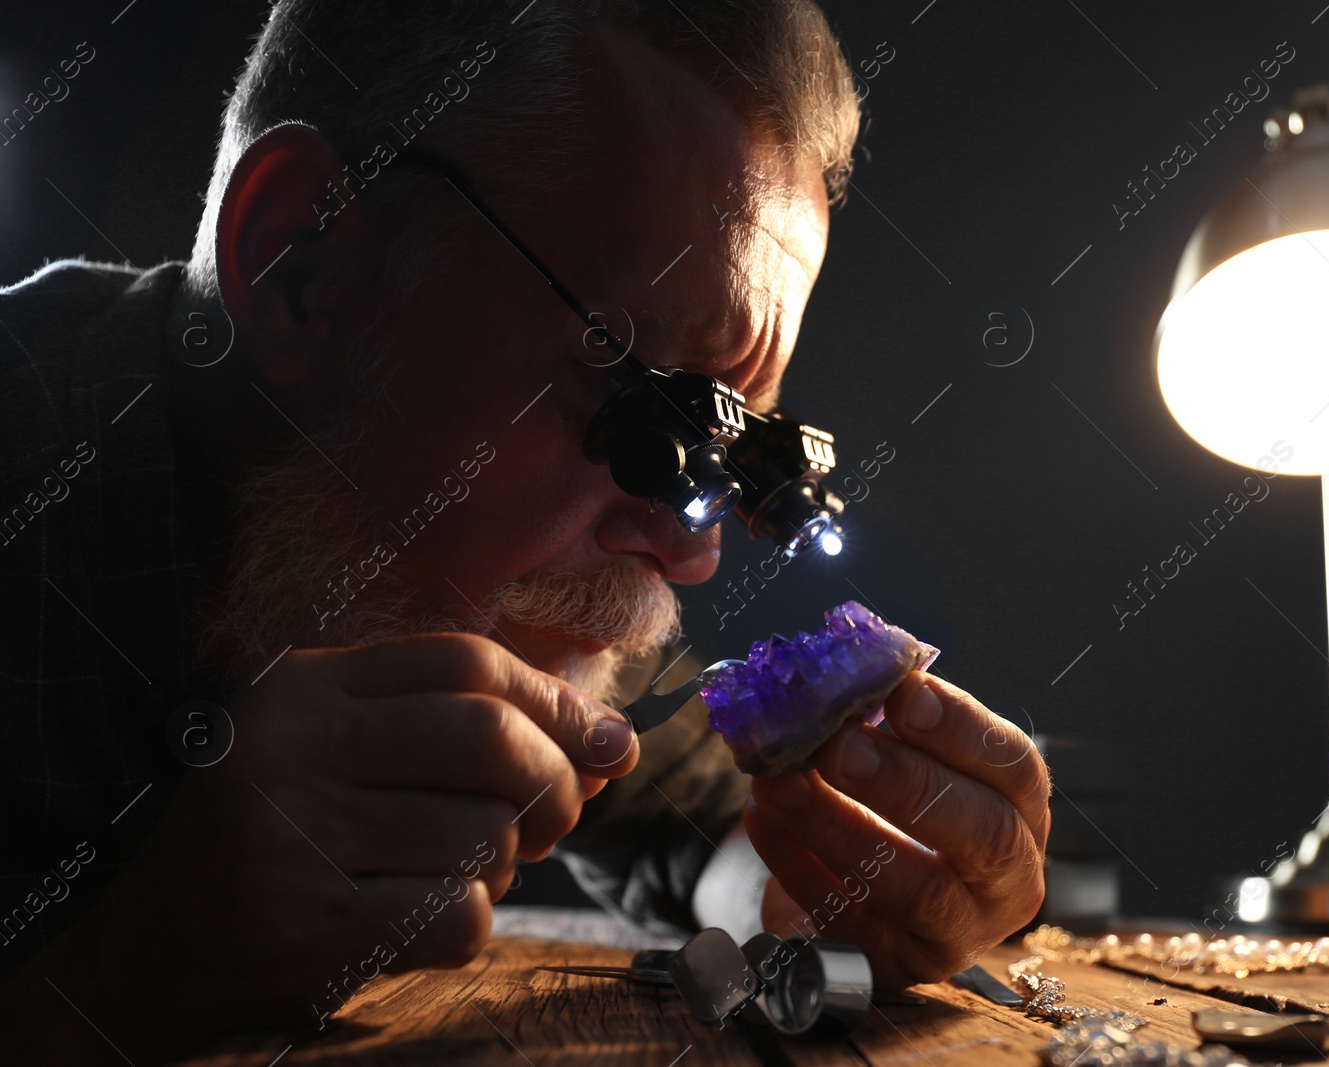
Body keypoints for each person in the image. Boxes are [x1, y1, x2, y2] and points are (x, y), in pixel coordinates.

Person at [0, 2, 1049, 1061]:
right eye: (647, 415)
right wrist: (120, 970)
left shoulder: (477, 586)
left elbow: (702, 835)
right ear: (301, 268)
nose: (693, 553)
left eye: (730, 457)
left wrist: (823, 886)